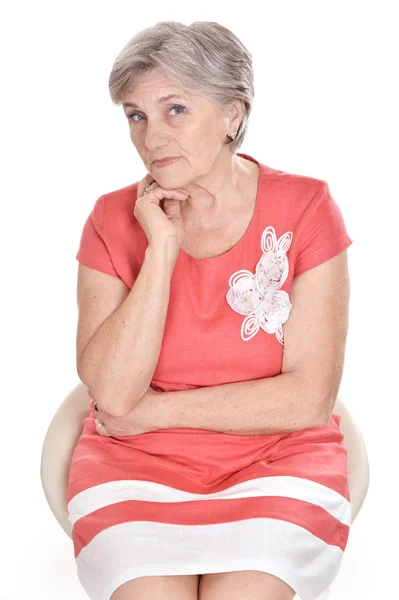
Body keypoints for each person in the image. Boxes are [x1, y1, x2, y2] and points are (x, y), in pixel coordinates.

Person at [67, 20, 353, 600]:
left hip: (280, 459)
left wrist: (156, 414)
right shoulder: (109, 218)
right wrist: (160, 251)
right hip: (134, 467)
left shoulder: (306, 208)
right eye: (136, 114)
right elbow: (115, 395)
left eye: (175, 109)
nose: (151, 138)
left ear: (232, 115)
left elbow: (307, 397)